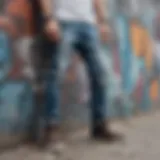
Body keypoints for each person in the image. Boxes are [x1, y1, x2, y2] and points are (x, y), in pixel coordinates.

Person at [31, 0, 123, 147]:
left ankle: (99, 126)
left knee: (100, 75)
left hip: (88, 25)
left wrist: (103, 22)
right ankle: (51, 129)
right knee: (56, 74)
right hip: (63, 22)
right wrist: (49, 19)